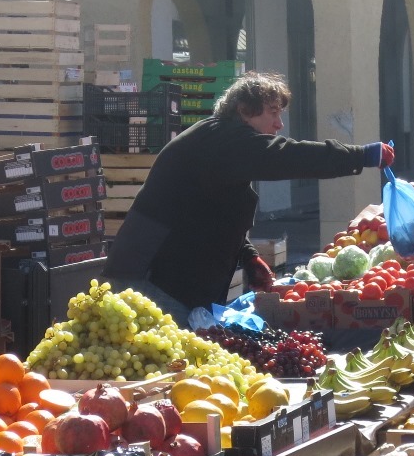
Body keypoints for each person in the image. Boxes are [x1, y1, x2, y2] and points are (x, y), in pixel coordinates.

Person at [104, 71, 395, 322]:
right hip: (152, 280)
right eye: (272, 112)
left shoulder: (222, 143)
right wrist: (362, 155)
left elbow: (212, 211)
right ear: (244, 109)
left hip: (174, 279)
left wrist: (249, 256)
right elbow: (289, 157)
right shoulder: (222, 141)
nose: (279, 124)